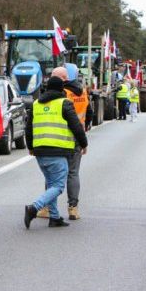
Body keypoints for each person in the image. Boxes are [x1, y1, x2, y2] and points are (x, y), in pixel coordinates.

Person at [24, 76, 88, 229]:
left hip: (40, 151)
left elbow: (28, 128)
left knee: (51, 184)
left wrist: (31, 147)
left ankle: (54, 217)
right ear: (61, 89)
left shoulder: (36, 104)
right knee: (58, 186)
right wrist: (83, 144)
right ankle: (34, 208)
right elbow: (76, 126)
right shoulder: (64, 103)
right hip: (58, 151)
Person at [36, 67, 92, 220]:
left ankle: (47, 208)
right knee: (73, 173)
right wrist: (84, 136)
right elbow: (89, 112)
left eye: (53, 76)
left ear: (61, 78)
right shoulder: (82, 91)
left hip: (60, 138)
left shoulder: (61, 94)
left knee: (52, 175)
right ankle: (73, 209)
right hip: (78, 137)